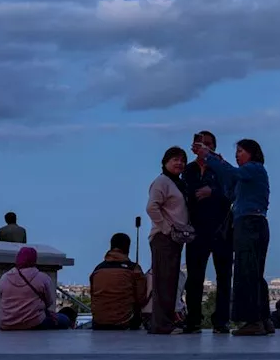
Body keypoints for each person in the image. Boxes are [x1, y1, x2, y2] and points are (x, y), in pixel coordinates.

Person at [197, 138, 272, 336]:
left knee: (246, 271)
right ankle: (262, 318)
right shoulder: (251, 174)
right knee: (254, 272)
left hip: (248, 224)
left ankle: (252, 320)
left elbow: (232, 175)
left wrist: (211, 158)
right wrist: (220, 165)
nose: (237, 155)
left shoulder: (254, 168)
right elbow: (230, 189)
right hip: (254, 223)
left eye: (240, 151)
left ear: (251, 153)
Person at [181, 130, 232, 334]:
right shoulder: (189, 169)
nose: (204, 147)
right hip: (197, 229)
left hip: (222, 230)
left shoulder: (221, 168)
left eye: (208, 144)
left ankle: (221, 321)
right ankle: (193, 320)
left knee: (224, 277)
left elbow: (232, 192)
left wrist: (213, 192)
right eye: (200, 144)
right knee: (194, 278)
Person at [146, 146, 190, 336]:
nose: (179, 163)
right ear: (165, 162)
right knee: (164, 282)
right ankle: (161, 325)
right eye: (175, 159)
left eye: (182, 160)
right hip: (164, 238)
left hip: (175, 239)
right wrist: (166, 228)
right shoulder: (162, 182)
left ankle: (166, 322)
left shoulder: (177, 183)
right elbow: (151, 207)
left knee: (170, 281)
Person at [0, 246, 70, 330]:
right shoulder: (42, 278)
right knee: (64, 320)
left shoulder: (4, 278)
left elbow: (1, 298)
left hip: (7, 324)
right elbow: (49, 302)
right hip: (34, 323)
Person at [90, 232, 147, 330]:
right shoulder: (133, 269)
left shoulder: (97, 270)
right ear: (128, 248)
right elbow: (141, 298)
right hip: (125, 322)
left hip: (99, 322)